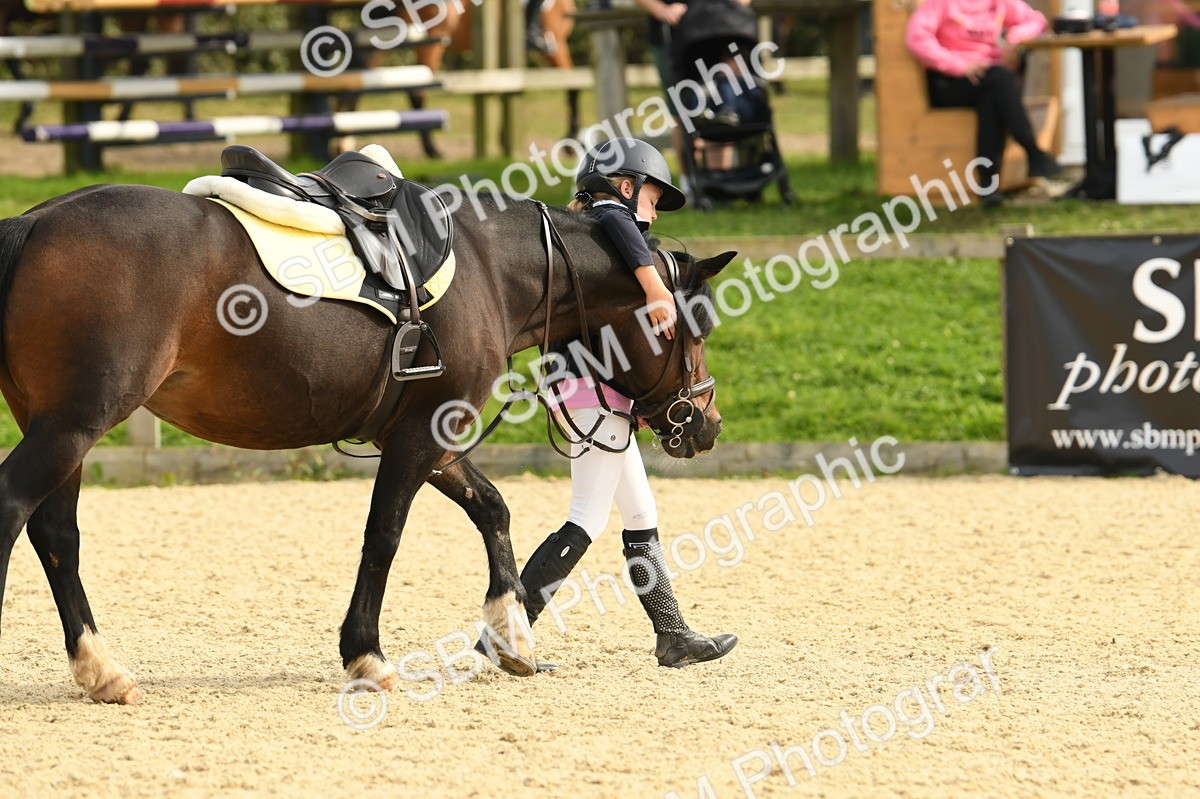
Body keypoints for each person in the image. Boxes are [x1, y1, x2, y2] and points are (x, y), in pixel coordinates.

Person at [513, 138, 738, 671]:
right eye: (652, 199)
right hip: (589, 396)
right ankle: (505, 634)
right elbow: (616, 218)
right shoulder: (606, 224)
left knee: (640, 513)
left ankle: (673, 635)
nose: (654, 212)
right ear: (624, 187)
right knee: (586, 518)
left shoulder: (597, 247)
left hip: (598, 394)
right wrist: (655, 288)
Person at [905, 0, 1063, 202]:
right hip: (950, 81)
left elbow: (1035, 20)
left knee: (991, 98)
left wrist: (1013, 40)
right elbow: (916, 39)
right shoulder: (941, 3)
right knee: (1000, 79)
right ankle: (1032, 151)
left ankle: (988, 187)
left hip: (988, 79)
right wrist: (960, 66)